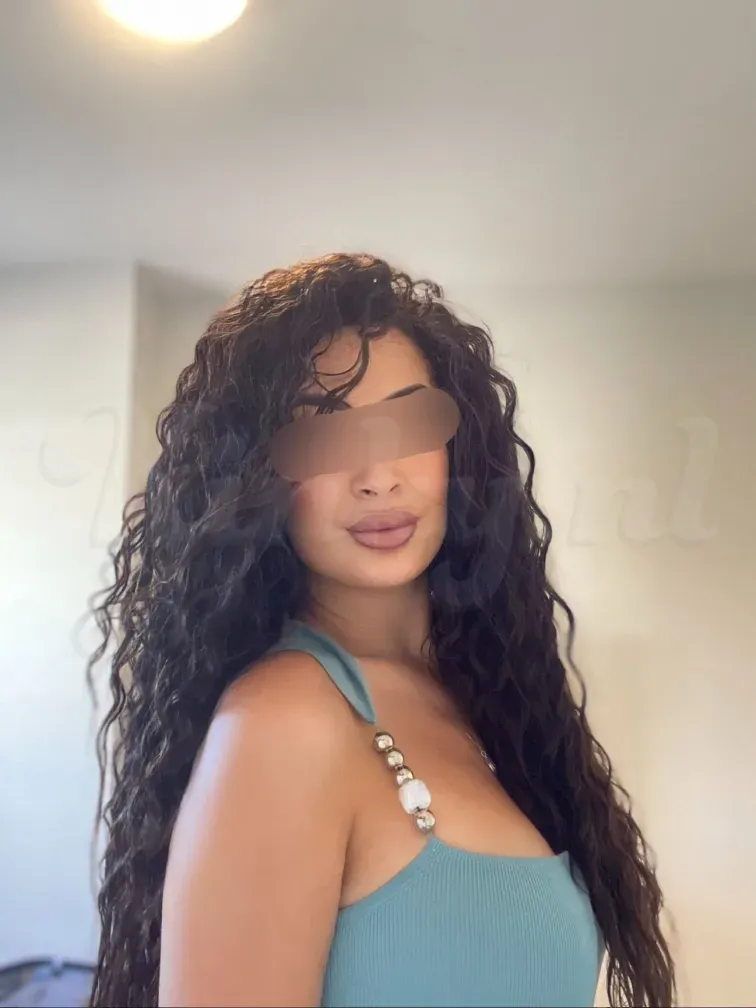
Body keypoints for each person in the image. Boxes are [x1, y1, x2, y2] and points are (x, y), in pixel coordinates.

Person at [87, 253, 676, 1007]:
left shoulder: (481, 699)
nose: (378, 476)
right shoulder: (284, 721)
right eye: (323, 437)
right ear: (256, 479)